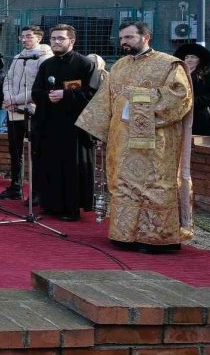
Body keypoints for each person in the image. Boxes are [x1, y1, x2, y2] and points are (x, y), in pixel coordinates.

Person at [76, 21, 194, 252]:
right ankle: (124, 234)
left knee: (155, 185)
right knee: (124, 185)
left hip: (157, 142)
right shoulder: (119, 66)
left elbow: (180, 96)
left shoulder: (168, 64)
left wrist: (139, 96)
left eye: (129, 37)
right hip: (122, 141)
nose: (124, 42)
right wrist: (100, 130)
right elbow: (105, 100)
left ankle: (157, 239)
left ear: (146, 36)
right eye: (121, 38)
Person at [30, 24, 96, 221]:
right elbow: (35, 92)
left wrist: (66, 94)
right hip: (49, 124)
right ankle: (50, 204)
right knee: (49, 165)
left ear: (72, 41)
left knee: (71, 167)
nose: (56, 42)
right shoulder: (46, 65)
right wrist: (47, 96)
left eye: (61, 38)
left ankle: (71, 208)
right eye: (53, 39)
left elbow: (92, 93)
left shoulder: (85, 64)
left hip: (74, 128)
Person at [0, 26, 51, 201]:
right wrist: (9, 99)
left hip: (32, 110)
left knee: (36, 151)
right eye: (22, 36)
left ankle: (37, 191)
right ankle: (16, 187)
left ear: (39, 38)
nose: (24, 39)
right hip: (13, 109)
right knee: (15, 150)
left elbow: (39, 87)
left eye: (29, 36)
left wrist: (17, 100)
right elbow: (8, 79)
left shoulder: (44, 58)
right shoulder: (17, 56)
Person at [174, 44, 210, 137]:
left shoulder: (209, 75)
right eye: (187, 57)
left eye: (193, 57)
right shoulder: (176, 74)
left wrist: (193, 101)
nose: (189, 59)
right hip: (179, 115)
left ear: (200, 59)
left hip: (201, 116)